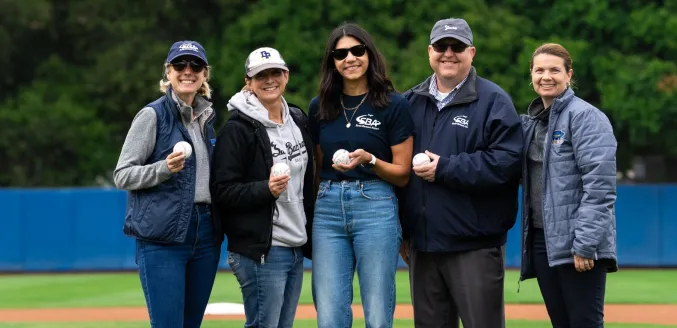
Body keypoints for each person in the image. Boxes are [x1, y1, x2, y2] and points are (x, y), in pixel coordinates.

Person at [398, 18, 524, 328]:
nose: (448, 53)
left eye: (457, 47)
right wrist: (402, 230)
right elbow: (398, 169)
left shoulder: (494, 101)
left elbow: (506, 164)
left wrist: (444, 168)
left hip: (474, 246)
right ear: (430, 51)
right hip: (424, 247)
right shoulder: (408, 102)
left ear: (472, 52)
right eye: (442, 46)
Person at [308, 23, 415, 328]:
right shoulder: (320, 106)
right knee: (329, 316)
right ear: (332, 62)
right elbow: (318, 168)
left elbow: (403, 174)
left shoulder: (394, 104)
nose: (350, 58)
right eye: (340, 54)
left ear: (369, 53)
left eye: (357, 50)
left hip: (376, 203)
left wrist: (370, 161)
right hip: (328, 206)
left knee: (378, 314)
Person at [113, 40, 221, 328]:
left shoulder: (206, 118)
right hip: (163, 237)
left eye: (196, 65)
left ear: (204, 74)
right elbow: (122, 174)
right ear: (168, 72)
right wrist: (163, 169)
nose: (188, 71)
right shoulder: (152, 115)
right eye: (180, 65)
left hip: (205, 234)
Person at [211, 47, 314, 328]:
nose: (269, 80)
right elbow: (222, 191)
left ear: (286, 75)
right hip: (261, 250)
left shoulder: (298, 119)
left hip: (294, 246)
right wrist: (266, 189)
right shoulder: (237, 128)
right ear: (248, 81)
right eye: (260, 75)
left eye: (275, 73)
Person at [519, 42, 618, 328]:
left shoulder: (586, 116)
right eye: (539, 70)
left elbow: (599, 187)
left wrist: (585, 244)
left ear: (569, 74)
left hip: (578, 244)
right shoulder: (532, 123)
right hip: (542, 242)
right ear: (531, 75)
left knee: (584, 323)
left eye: (554, 70)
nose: (546, 76)